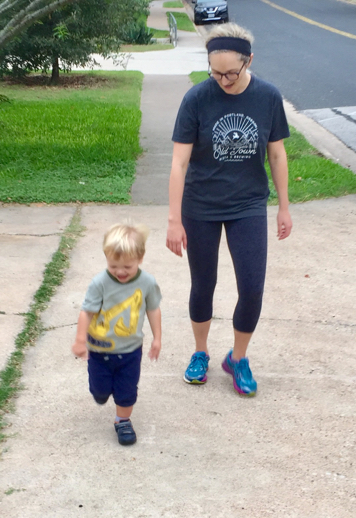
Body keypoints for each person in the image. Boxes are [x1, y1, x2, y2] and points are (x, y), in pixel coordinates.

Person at [166, 23, 292, 397]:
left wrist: (284, 207)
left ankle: (238, 358)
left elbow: (277, 154)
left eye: (231, 73)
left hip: (248, 204)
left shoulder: (267, 97)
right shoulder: (196, 99)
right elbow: (179, 163)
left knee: (252, 287)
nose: (223, 80)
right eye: (215, 73)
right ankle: (200, 352)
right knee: (203, 283)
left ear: (248, 61)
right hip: (200, 205)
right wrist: (174, 219)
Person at [72, 222, 162, 445]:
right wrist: (80, 339)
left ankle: (122, 422)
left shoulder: (147, 283)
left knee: (127, 392)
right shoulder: (100, 283)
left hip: (131, 350)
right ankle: (101, 391)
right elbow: (87, 312)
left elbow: (153, 309)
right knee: (100, 392)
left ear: (140, 258)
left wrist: (157, 338)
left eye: (127, 267)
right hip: (100, 350)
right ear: (106, 258)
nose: (120, 272)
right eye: (113, 266)